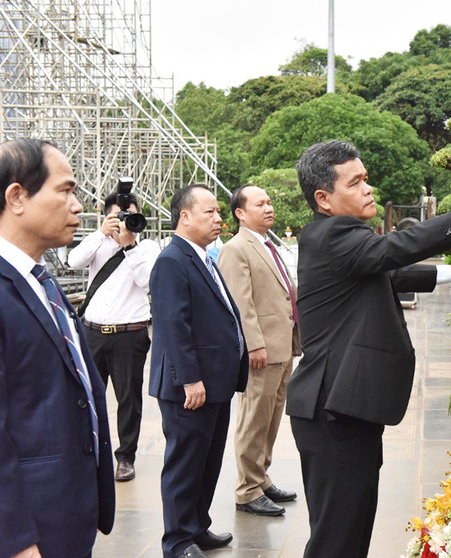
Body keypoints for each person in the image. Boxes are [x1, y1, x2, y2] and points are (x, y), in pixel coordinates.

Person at [286, 140, 451, 558]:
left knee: (347, 530)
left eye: (366, 178)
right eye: (356, 182)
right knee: (337, 538)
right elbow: (394, 249)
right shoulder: (335, 233)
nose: (368, 188)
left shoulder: (333, 238)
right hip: (332, 411)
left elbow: (384, 269)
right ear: (324, 199)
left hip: (340, 407)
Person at [0, 139, 115, 557]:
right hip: (25, 533)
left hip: (66, 517)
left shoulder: (39, 280)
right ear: (17, 196)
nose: (78, 205)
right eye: (65, 190)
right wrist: (14, 543)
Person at [149, 184, 248, 558]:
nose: (219, 218)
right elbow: (174, 325)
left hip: (214, 383)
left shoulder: (203, 257)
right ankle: (177, 540)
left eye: (218, 211)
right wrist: (190, 379)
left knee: (207, 460)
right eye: (209, 212)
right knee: (185, 463)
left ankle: (197, 526)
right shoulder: (173, 261)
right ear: (184, 216)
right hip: (189, 386)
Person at [218, 185, 301, 517]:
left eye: (269, 201)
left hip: (282, 346)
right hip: (261, 350)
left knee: (271, 417)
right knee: (254, 419)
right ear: (240, 212)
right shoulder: (236, 248)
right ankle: (247, 489)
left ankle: (260, 478)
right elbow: (241, 304)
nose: (269, 207)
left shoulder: (268, 244)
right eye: (260, 203)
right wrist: (254, 345)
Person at [68, 190, 160, 482]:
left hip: (129, 335)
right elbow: (74, 261)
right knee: (87, 397)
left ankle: (126, 458)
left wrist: (129, 246)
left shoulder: (147, 248)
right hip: (93, 332)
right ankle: (88, 452)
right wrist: (101, 233)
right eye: (118, 216)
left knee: (128, 399)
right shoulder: (97, 244)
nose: (124, 221)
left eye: (130, 215)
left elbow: (147, 282)